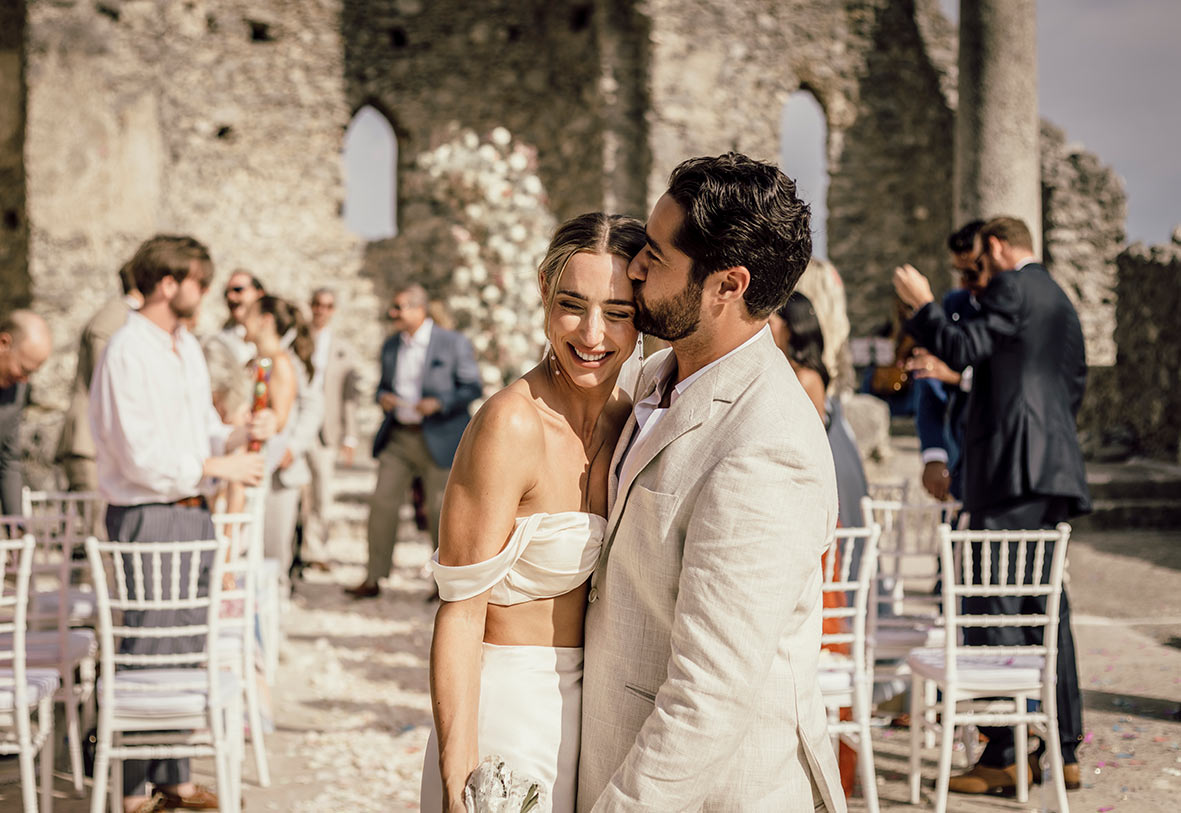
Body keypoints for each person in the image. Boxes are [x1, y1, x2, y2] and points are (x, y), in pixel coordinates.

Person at [579, 154, 845, 812]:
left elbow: (710, 693)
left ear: (726, 286)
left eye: (655, 256)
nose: (633, 266)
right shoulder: (649, 378)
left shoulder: (768, 442)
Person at [421, 212, 645, 813]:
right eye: (572, 304)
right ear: (544, 292)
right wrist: (459, 781)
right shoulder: (509, 424)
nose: (592, 334)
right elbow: (461, 616)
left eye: (618, 312)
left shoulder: (635, 423)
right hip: (505, 712)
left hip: (597, 717)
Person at [893, 215, 1089, 795]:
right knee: (1046, 607)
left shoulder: (1010, 285)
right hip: (1048, 469)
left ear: (998, 247)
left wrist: (925, 305)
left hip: (1008, 471)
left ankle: (1004, 752)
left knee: (994, 604)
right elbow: (1068, 382)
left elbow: (963, 345)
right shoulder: (1056, 295)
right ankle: (1064, 746)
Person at [89, 234, 273, 813]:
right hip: (146, 514)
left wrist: (236, 437)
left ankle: (173, 774)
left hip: (192, 510)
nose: (206, 290)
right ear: (169, 284)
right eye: (199, 279)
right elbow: (139, 455)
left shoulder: (185, 346)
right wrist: (216, 463)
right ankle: (131, 787)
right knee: (146, 644)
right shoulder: (126, 351)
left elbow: (198, 431)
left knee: (185, 644)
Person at [346, 284, 481, 600]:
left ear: (419, 309)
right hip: (399, 437)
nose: (392, 313)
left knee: (440, 510)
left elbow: (472, 387)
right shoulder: (391, 345)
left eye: (399, 307)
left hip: (442, 439)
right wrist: (384, 398)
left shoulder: (453, 343)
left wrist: (440, 403)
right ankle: (374, 576)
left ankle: (444, 584)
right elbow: (381, 386)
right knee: (382, 503)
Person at [241, 295, 323, 587]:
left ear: (265, 321)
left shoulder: (280, 364)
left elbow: (278, 423)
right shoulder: (258, 361)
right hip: (253, 470)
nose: (241, 319)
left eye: (248, 313)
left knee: (270, 558)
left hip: (272, 472)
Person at [907, 220, 984, 501]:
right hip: (960, 445)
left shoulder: (1012, 309)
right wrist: (934, 453)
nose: (964, 282)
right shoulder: (955, 303)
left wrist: (956, 376)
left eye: (972, 272)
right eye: (959, 273)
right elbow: (930, 381)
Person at [300, 287, 359, 572]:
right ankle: (295, 551)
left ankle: (316, 551)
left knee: (322, 493)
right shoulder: (297, 341)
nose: (321, 310)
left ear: (333, 310)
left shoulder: (342, 350)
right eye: (317, 304)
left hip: (326, 430)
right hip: (298, 426)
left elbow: (349, 396)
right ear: (311, 306)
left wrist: (350, 435)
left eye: (327, 305)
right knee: (296, 490)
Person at [0, 310, 53, 515]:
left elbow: (8, 459)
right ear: (4, 343)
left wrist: (16, 525)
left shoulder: (17, 389)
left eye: (31, 373)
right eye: (23, 368)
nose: (24, 379)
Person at [204, 269, 265, 368]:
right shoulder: (221, 340)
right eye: (226, 293)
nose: (230, 297)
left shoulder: (277, 333)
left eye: (238, 290)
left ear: (259, 294)